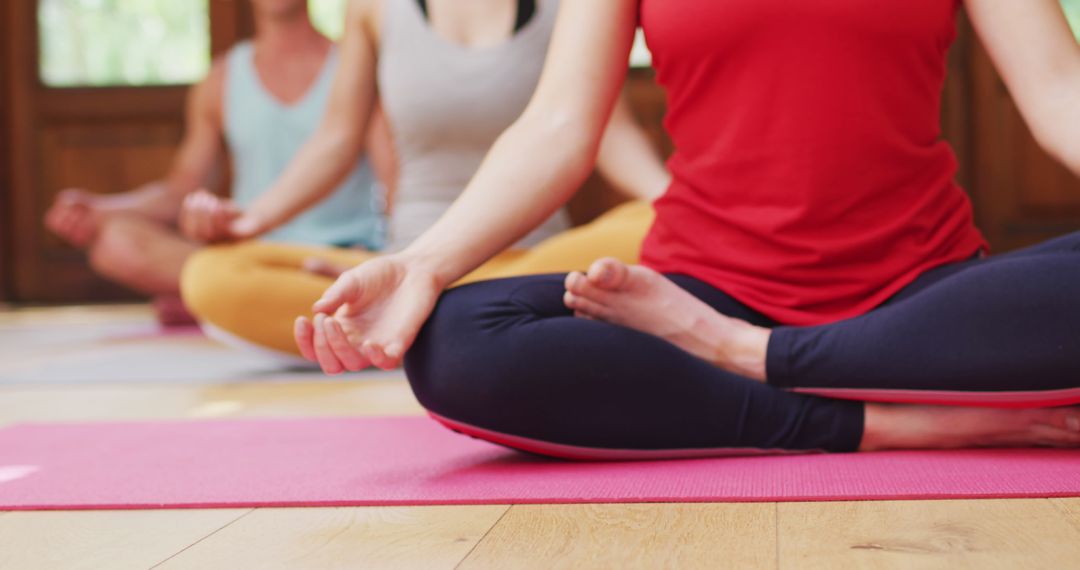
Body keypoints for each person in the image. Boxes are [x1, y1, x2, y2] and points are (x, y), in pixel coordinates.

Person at [296, 0, 1080, 457]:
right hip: (694, 292)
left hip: (914, 297)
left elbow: (1057, 87)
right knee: (456, 341)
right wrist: (424, 263)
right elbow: (561, 125)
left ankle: (750, 358)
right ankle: (884, 419)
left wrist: (733, 345)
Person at [180, 0, 670, 357]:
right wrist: (252, 218)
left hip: (541, 262)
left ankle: (419, 319)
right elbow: (336, 139)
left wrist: (671, 202)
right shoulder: (372, 8)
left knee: (649, 225)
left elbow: (606, 130)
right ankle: (445, 313)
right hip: (407, 260)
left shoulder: (570, 7)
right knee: (213, 274)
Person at [44, 0, 387, 323]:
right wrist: (103, 210)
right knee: (114, 243)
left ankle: (221, 304)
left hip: (336, 256)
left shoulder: (353, 68)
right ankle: (253, 302)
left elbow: (392, 181)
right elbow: (182, 188)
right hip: (251, 257)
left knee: (351, 273)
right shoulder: (222, 79)